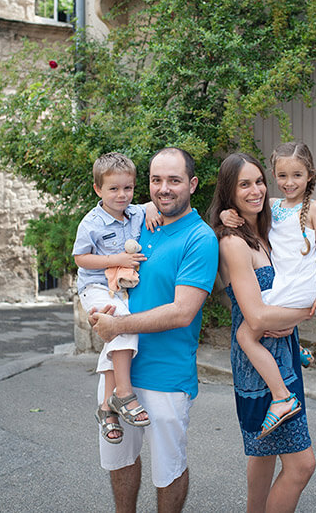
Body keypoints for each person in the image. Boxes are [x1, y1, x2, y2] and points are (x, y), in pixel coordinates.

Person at [89, 147, 218, 512]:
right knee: (120, 459)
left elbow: (182, 312)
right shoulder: (136, 222)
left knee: (169, 468)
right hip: (119, 371)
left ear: (192, 184)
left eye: (174, 180)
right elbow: (104, 275)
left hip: (166, 375)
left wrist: (117, 326)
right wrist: (99, 314)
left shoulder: (200, 238)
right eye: (156, 180)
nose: (164, 189)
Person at [209, 152, 316, 512]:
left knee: (263, 454)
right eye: (243, 185)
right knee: (302, 466)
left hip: (281, 350)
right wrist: (309, 311)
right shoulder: (234, 242)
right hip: (260, 362)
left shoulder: (260, 229)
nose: (255, 190)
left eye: (258, 181)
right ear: (228, 191)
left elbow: (288, 193)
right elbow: (255, 319)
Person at [219, 143, 316, 438]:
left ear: (310, 175)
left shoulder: (314, 209)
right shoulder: (274, 207)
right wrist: (223, 217)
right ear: (275, 176)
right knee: (261, 311)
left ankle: (281, 397)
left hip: (301, 291)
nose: (289, 182)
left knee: (247, 332)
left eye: (297, 174)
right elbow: (238, 208)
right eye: (282, 175)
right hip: (288, 287)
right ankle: (297, 350)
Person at [73, 152, 159, 444]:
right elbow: (81, 258)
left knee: (117, 335)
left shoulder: (136, 213)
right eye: (113, 189)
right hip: (95, 287)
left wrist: (148, 207)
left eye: (128, 188)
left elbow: (147, 206)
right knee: (122, 323)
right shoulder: (91, 223)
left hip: (123, 288)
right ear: (98, 189)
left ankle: (106, 409)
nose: (122, 195)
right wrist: (116, 259)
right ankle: (123, 394)